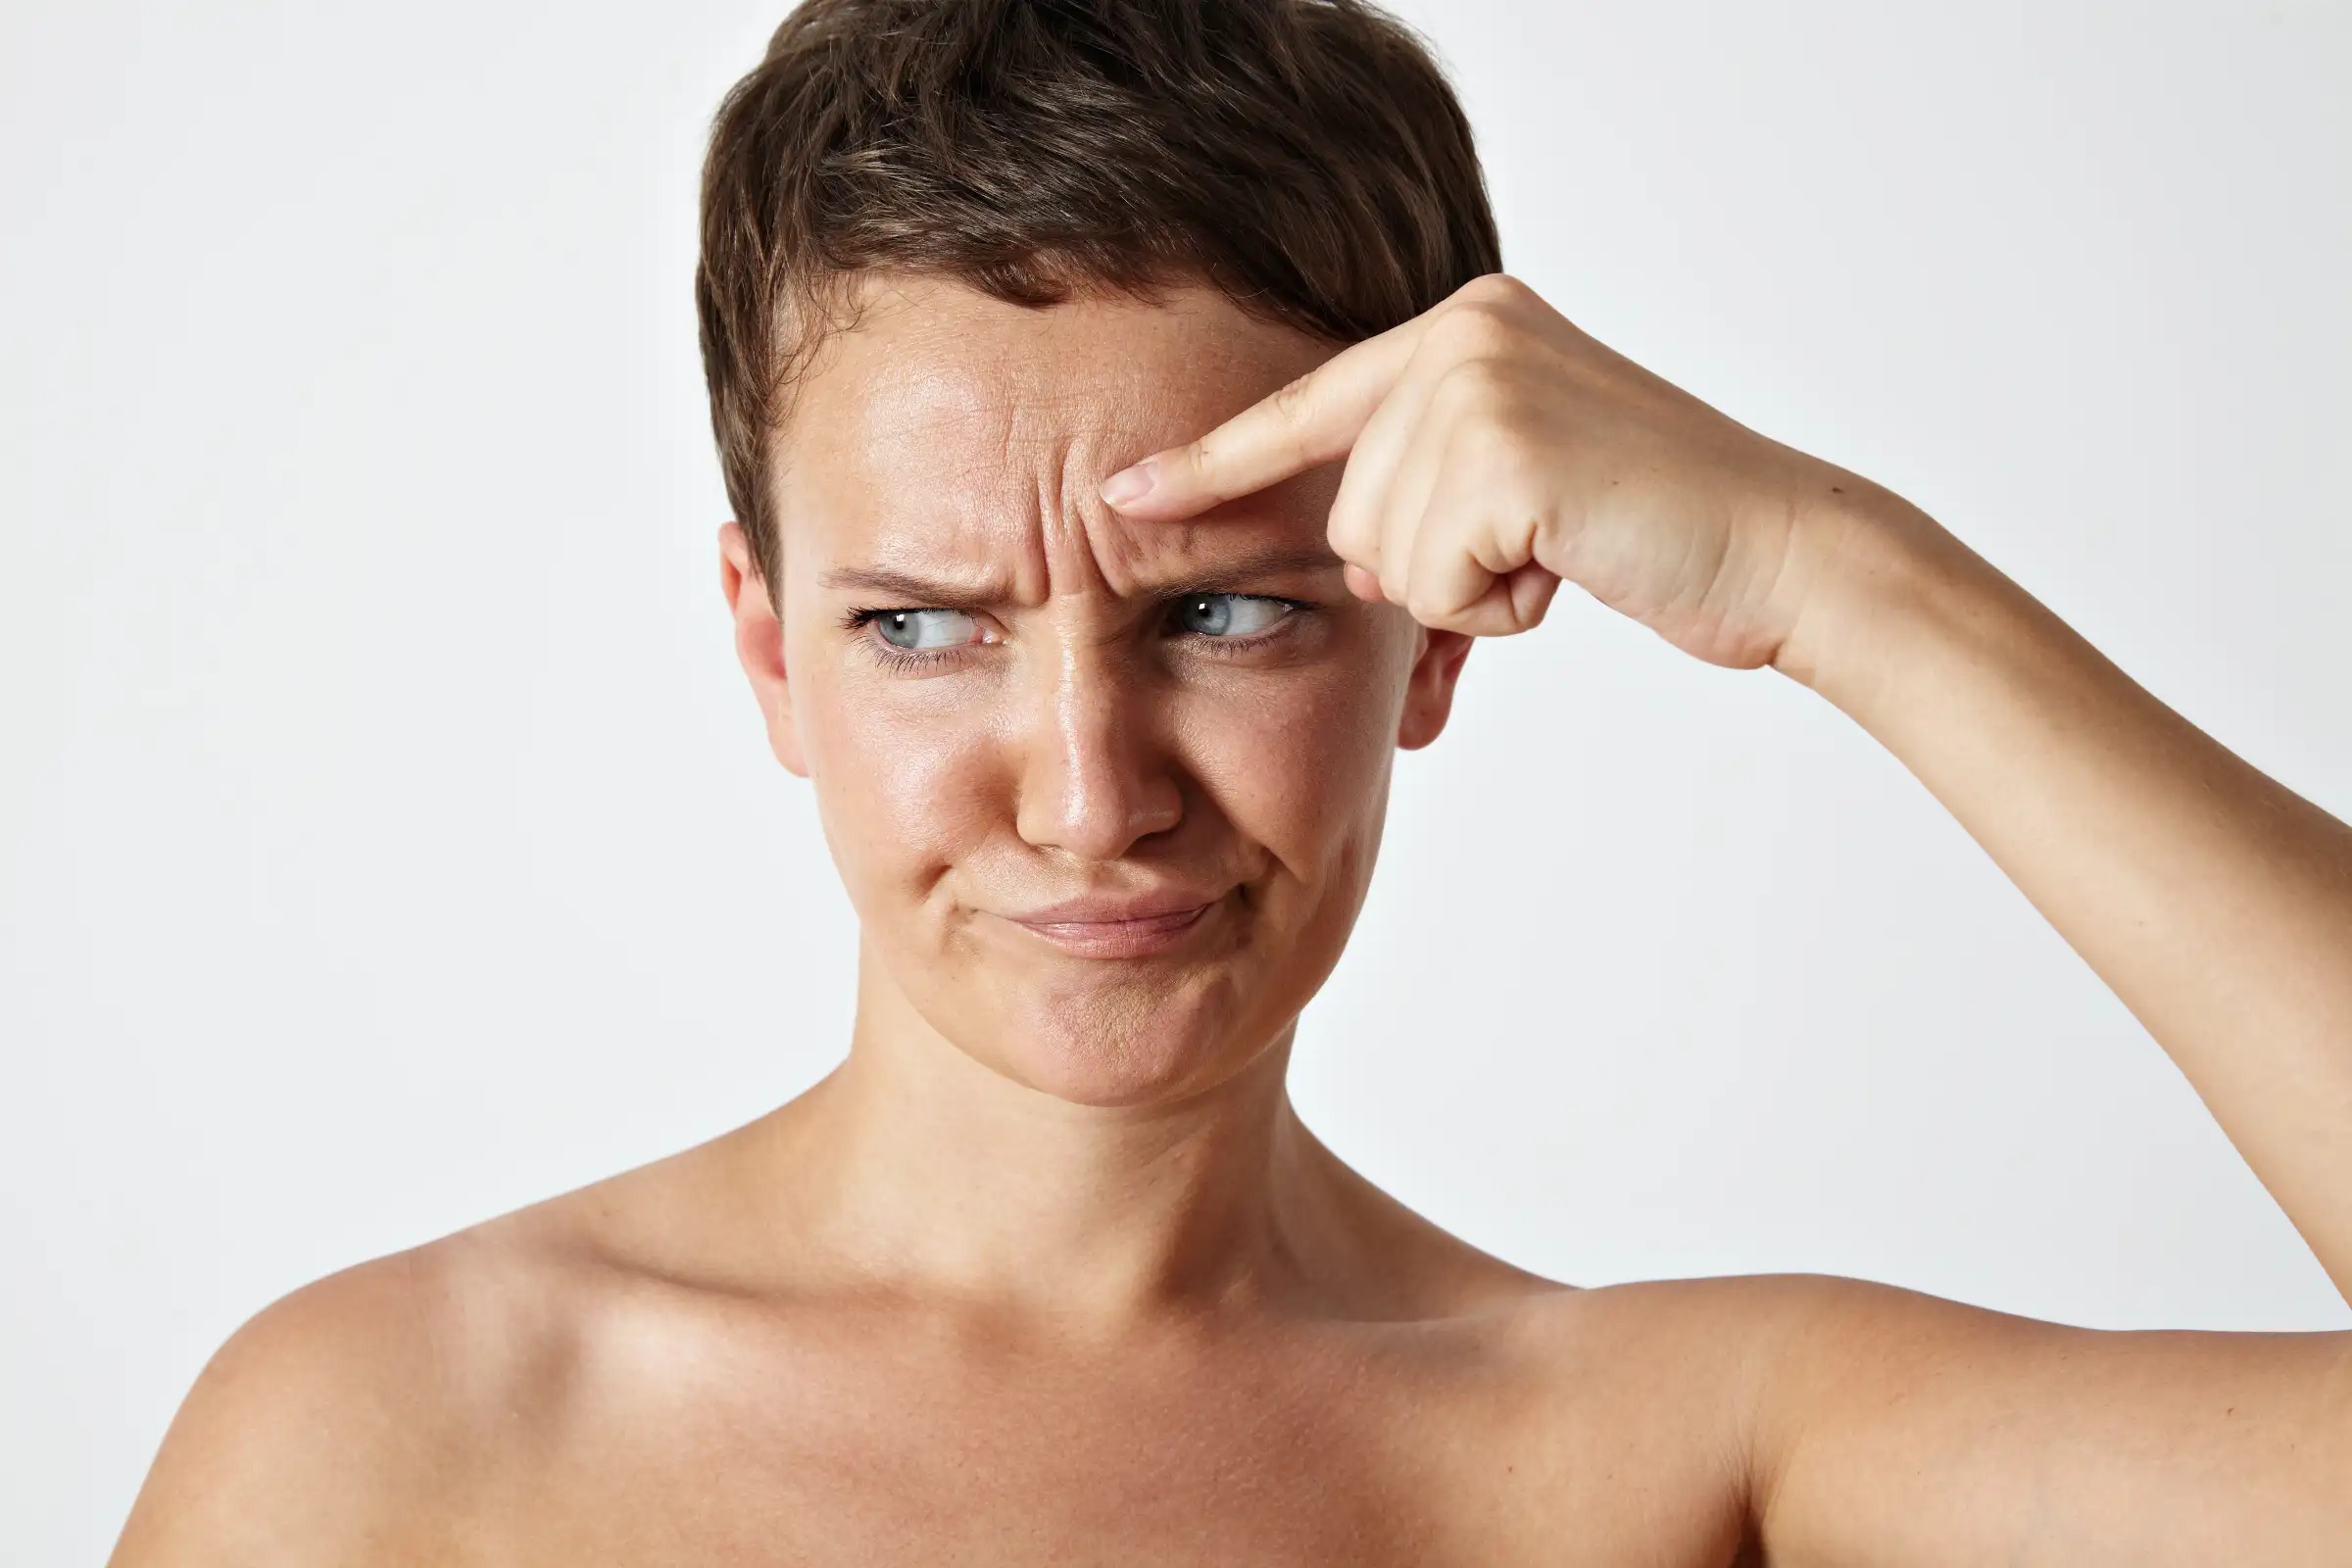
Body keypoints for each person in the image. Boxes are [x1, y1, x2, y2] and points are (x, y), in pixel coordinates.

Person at [110, 0, 2352, 1562]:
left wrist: (1829, 571)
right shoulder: (393, 1435)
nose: (1090, 794)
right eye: (922, 624)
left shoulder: (1671, 1452)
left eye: (1226, 612)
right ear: (767, 646)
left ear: (1436, 633)